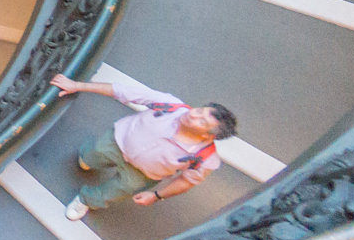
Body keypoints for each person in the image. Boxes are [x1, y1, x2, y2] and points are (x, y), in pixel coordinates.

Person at [50, 73, 236, 221]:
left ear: (207, 135)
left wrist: (157, 195)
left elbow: (186, 182)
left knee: (114, 191)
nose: (193, 115)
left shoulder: (205, 159)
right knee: (93, 154)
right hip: (116, 142)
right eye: (199, 110)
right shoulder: (169, 105)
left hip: (142, 175)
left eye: (202, 121)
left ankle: (86, 200)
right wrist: (77, 85)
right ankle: (88, 158)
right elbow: (122, 91)